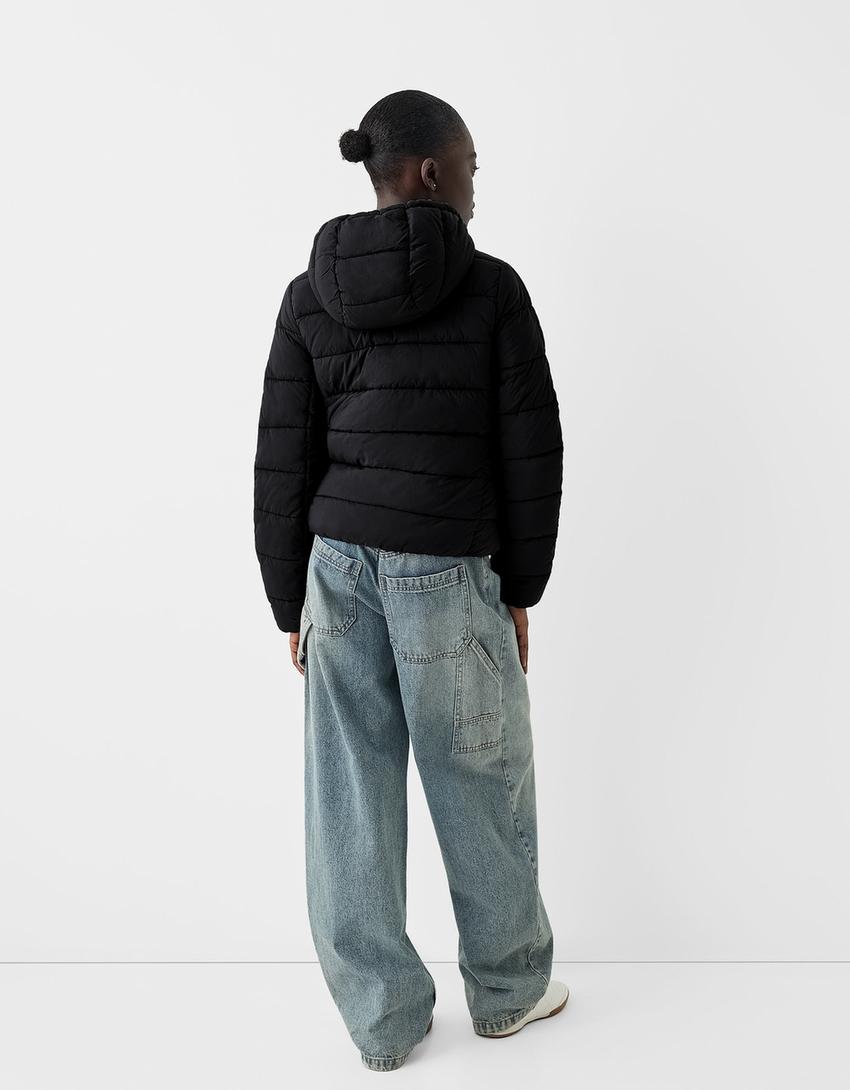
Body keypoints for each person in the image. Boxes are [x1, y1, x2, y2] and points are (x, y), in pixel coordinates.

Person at [254, 89, 567, 1072]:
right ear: (430, 171)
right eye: (469, 164)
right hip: (446, 569)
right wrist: (519, 587)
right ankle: (509, 992)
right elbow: (531, 452)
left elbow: (282, 456)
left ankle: (383, 1022)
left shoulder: (308, 294)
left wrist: (288, 599)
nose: (475, 181)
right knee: (480, 777)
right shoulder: (493, 289)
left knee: (349, 797)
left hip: (337, 569)